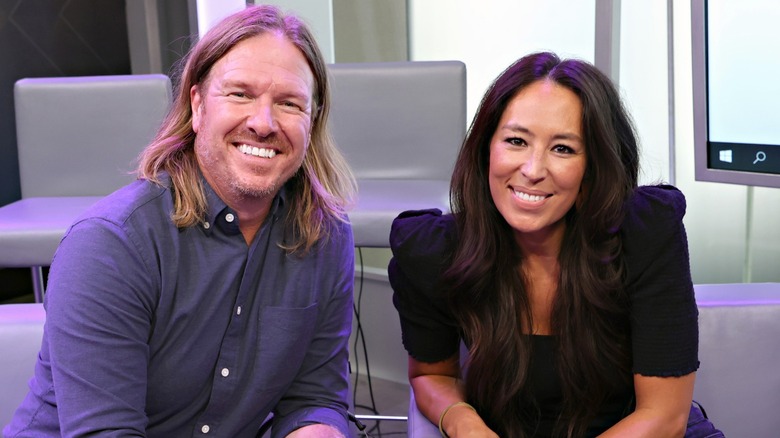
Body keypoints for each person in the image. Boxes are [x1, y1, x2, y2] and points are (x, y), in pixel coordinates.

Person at [5, 5, 356, 438]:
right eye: (240, 94)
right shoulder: (110, 244)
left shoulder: (326, 236)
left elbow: (314, 398)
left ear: (312, 120)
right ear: (197, 103)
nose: (264, 124)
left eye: (289, 103)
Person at [389, 52, 702, 437]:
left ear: (595, 165)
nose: (533, 170)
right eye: (516, 141)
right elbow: (431, 375)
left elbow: (665, 416)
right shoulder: (434, 251)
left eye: (563, 149)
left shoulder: (644, 233)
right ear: (487, 148)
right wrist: (464, 423)